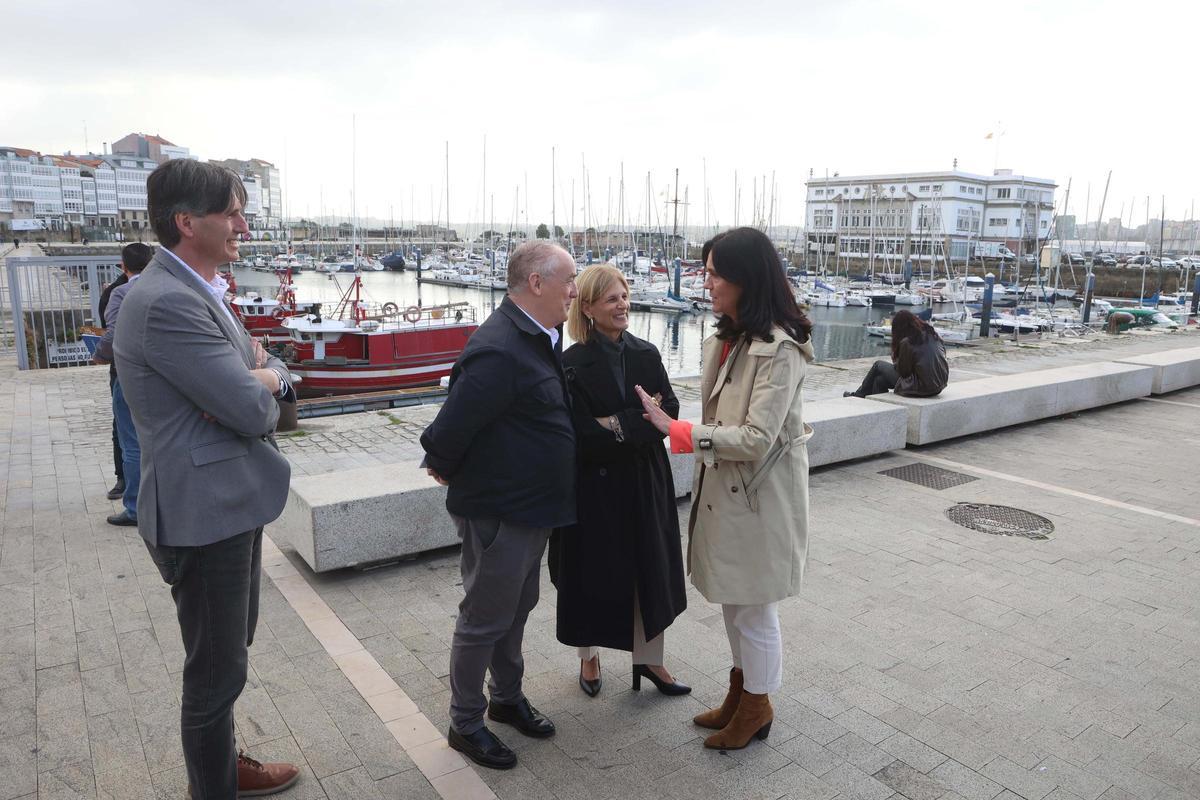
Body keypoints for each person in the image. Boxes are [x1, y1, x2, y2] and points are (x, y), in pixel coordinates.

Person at [113, 159, 299, 800]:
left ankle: (224, 762)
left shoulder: (198, 288)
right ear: (188, 222)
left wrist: (253, 374)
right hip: (202, 513)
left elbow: (260, 357)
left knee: (228, 657)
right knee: (216, 670)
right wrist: (261, 383)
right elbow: (254, 404)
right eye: (232, 212)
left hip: (228, 502)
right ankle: (214, 787)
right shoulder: (166, 301)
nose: (244, 225)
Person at [637, 227, 814, 751]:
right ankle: (743, 694)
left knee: (754, 608)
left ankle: (757, 705)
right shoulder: (730, 339)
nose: (706, 281)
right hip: (733, 493)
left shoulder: (780, 349)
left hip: (758, 497)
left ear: (745, 279)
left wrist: (677, 431)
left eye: (715, 273)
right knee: (736, 603)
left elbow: (758, 438)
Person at [420, 241, 578, 770]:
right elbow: (448, 430)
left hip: (533, 508)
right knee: (485, 618)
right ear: (536, 283)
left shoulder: (538, 337)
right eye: (568, 281)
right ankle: (466, 722)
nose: (574, 291)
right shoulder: (500, 347)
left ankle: (506, 698)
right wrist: (442, 461)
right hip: (502, 511)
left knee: (517, 609)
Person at [548, 265, 689, 699]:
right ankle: (588, 657)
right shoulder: (570, 363)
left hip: (645, 481)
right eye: (611, 298)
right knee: (589, 573)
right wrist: (637, 421)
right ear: (587, 307)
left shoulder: (647, 353)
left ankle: (650, 660)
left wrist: (616, 424)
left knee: (649, 571)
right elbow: (577, 432)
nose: (622, 304)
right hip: (594, 488)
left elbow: (671, 414)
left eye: (625, 295)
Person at [93, 243, 153, 524]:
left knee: (131, 442)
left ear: (123, 266)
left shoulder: (121, 292)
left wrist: (98, 354)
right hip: (163, 375)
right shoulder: (165, 287)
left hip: (129, 375)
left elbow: (113, 334)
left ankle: (135, 508)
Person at [845, 309, 948, 398]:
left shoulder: (908, 342)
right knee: (879, 380)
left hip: (922, 387)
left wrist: (895, 356)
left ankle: (859, 395)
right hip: (938, 386)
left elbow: (903, 372)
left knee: (878, 365)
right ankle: (879, 407)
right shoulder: (932, 335)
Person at [98, 268, 130, 500]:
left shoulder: (115, 291)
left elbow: (110, 330)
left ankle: (124, 481)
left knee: (122, 428)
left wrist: (99, 353)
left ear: (123, 265)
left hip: (121, 368)